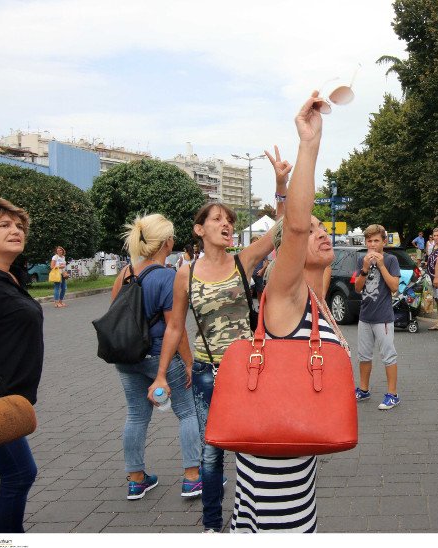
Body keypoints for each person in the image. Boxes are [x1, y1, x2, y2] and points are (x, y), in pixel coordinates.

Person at [229, 91, 349, 533]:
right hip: (274, 460)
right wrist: (309, 146)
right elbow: (294, 224)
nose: (318, 232)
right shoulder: (287, 295)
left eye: (324, 228)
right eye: (312, 229)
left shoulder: (319, 304)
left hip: (297, 453)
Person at [157, 151, 288, 533]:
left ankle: (255, 519)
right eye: (217, 219)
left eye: (229, 220)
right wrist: (162, 374)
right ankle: (213, 527)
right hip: (207, 373)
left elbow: (281, 228)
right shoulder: (185, 274)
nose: (226, 224)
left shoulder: (241, 261)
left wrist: (279, 184)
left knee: (253, 448)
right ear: (199, 230)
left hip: (250, 368)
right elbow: (174, 327)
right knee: (211, 454)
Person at [110, 214, 201, 500]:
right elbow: (177, 329)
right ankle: (192, 477)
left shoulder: (125, 273)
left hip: (127, 356)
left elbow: (116, 315)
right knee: (188, 412)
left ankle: (136, 479)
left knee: (136, 415)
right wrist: (188, 363)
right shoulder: (167, 277)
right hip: (160, 353)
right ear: (166, 243)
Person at [0, 197, 43, 533]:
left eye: (18, 226)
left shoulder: (9, 278)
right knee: (20, 473)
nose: (15, 230)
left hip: (8, 402)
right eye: (4, 225)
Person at [354, 224, 401, 410]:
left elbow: (394, 287)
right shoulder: (361, 260)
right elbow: (357, 288)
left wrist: (380, 265)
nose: (372, 245)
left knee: (388, 356)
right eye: (369, 240)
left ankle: (393, 394)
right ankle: (364, 390)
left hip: (383, 318)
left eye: (376, 240)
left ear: (383, 242)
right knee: (363, 356)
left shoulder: (391, 260)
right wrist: (365, 268)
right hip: (365, 316)